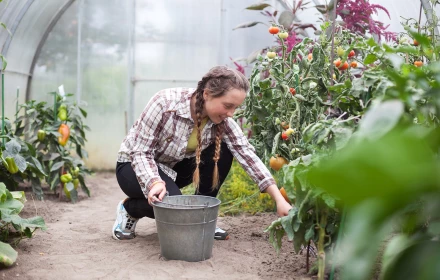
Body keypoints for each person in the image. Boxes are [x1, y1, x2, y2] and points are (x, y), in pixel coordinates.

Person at [112, 65, 292, 241]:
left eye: (235, 108)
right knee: (174, 207)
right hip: (134, 167)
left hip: (174, 169)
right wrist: (154, 182)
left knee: (224, 148)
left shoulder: (222, 121)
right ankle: (130, 209)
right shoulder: (165, 103)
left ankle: (203, 216)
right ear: (207, 94)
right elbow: (141, 152)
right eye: (228, 106)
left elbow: (247, 155)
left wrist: (278, 199)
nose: (231, 114)